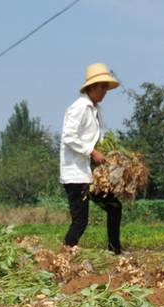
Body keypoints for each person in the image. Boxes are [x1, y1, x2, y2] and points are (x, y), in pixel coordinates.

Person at [60, 62, 122, 254]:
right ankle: (64, 254)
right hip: (75, 174)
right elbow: (68, 137)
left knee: (114, 207)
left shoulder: (95, 110)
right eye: (102, 87)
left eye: (106, 87)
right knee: (80, 221)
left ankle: (115, 250)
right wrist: (92, 152)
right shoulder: (79, 108)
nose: (105, 92)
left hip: (90, 173)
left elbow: (95, 140)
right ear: (92, 87)